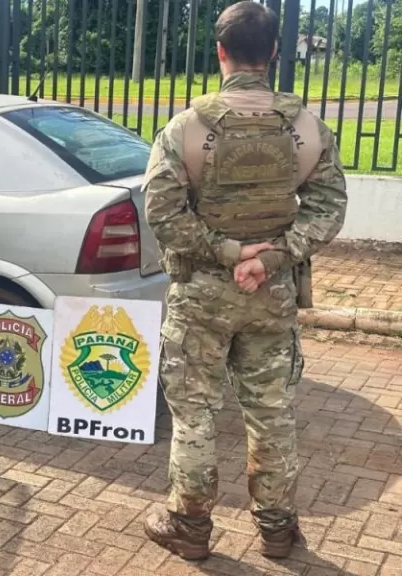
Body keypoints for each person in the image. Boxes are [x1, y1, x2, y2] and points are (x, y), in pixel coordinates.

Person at [143, 0, 347, 561]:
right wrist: (274, 257)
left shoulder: (186, 128)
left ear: (220, 51)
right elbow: (328, 207)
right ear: (275, 53)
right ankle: (279, 532)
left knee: (195, 414)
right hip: (271, 295)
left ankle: (189, 527)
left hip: (201, 296)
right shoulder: (307, 129)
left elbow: (162, 210)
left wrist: (224, 250)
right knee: (273, 412)